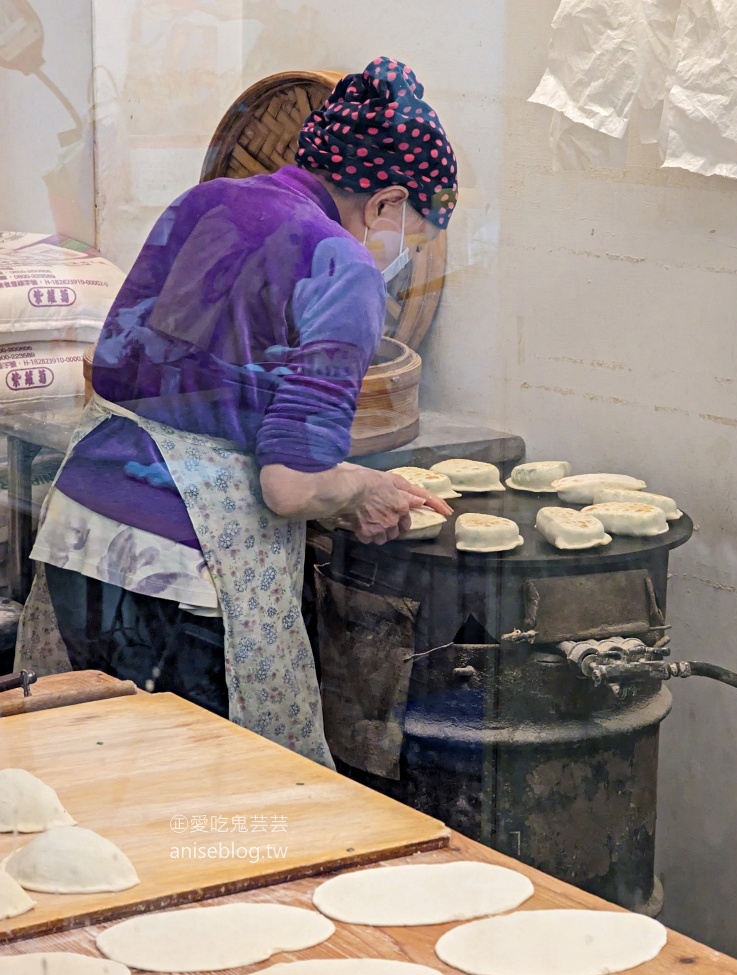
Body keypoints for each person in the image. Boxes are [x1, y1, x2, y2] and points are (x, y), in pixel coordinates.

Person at [14, 57, 458, 768]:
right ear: (385, 202)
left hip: (84, 532)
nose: (403, 253)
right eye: (414, 233)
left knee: (100, 779)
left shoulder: (207, 203)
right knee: (210, 804)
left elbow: (162, 373)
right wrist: (361, 487)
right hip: (187, 571)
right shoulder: (341, 268)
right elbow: (288, 486)